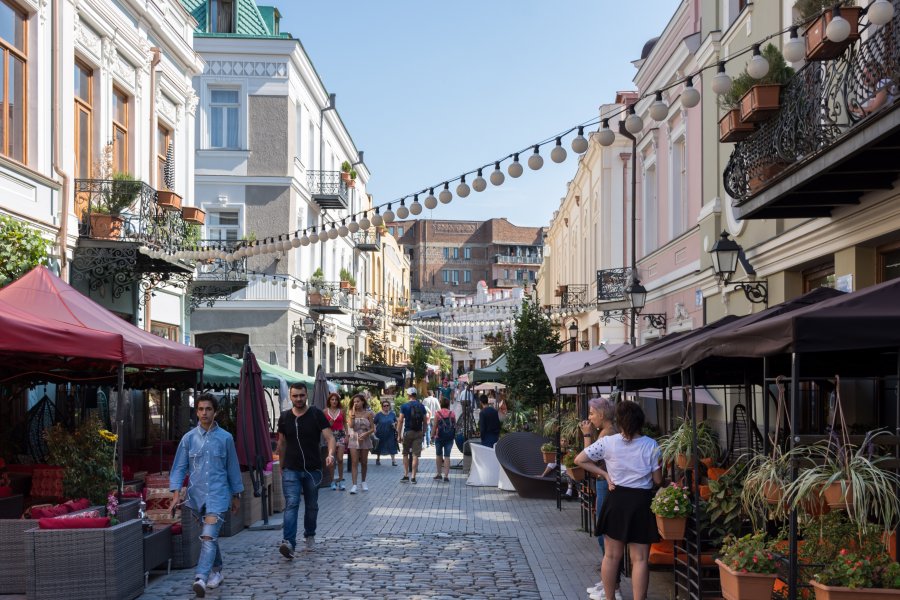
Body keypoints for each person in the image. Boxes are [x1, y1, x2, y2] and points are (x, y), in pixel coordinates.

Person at [575, 401, 662, 600]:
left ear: (620, 423)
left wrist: (605, 475)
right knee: (639, 559)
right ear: (641, 422)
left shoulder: (608, 442)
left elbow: (579, 460)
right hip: (641, 501)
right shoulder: (651, 445)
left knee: (611, 556)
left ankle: (609, 598)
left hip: (617, 499)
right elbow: (657, 480)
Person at [169, 394, 243, 598]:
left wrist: (236, 495)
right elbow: (179, 468)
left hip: (218, 497)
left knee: (208, 536)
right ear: (196, 412)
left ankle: (200, 577)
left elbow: (232, 468)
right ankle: (217, 571)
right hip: (196, 498)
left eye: (208, 409)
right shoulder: (188, 439)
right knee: (209, 537)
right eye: (200, 409)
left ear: (215, 411)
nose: (204, 413)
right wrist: (176, 494)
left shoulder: (226, 438)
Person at [276, 382, 336, 559]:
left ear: (306, 395)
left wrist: (331, 454)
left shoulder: (316, 414)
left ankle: (310, 534)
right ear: (290, 396)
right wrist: (281, 466)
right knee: (292, 504)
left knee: (311, 505)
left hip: (313, 468)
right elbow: (282, 443)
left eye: (301, 395)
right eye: (295, 396)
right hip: (291, 469)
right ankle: (288, 543)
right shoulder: (285, 417)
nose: (298, 399)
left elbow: (330, 437)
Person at [581, 397, 621, 600]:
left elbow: (589, 456)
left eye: (592, 413)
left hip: (606, 484)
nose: (590, 417)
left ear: (602, 414)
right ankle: (609, 582)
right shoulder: (608, 432)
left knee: (603, 532)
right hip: (603, 482)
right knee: (602, 532)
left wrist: (587, 434)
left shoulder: (607, 433)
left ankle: (613, 586)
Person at [346, 393, 375, 494]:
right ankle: (354, 485)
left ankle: (363, 482)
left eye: (358, 401)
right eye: (354, 402)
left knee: (364, 462)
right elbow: (351, 425)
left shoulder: (369, 413)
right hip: (354, 438)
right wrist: (353, 414)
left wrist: (366, 434)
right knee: (354, 462)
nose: (356, 403)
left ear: (363, 402)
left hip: (365, 438)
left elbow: (373, 428)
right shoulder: (350, 412)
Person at [397, 387, 427, 483]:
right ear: (415, 395)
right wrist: (424, 433)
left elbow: (400, 421)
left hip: (408, 432)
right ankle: (413, 477)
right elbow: (425, 421)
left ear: (409, 395)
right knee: (415, 456)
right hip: (418, 432)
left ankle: (406, 475)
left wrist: (398, 434)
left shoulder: (404, 406)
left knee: (405, 454)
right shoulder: (421, 406)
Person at [324, 391, 346, 491]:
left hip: (341, 435)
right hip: (330, 435)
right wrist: (329, 423)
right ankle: (332, 480)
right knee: (331, 459)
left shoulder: (342, 411)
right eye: (332, 399)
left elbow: (345, 423)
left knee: (340, 459)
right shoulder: (325, 411)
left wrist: (347, 435)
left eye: (336, 399)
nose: (334, 401)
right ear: (329, 401)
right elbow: (323, 426)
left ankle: (341, 480)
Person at [431, 396, 456, 482]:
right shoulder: (452, 413)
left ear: (441, 404)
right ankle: (446, 476)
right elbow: (454, 425)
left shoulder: (438, 413)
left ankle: (439, 474)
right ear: (448, 405)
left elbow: (434, 426)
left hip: (439, 437)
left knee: (438, 455)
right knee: (447, 456)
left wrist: (432, 435)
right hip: (449, 437)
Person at [374, 399, 399, 466]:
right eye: (384, 406)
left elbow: (396, 421)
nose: (386, 407)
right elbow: (374, 423)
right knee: (379, 447)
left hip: (390, 433)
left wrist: (395, 424)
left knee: (392, 446)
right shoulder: (378, 415)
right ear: (382, 407)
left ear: (389, 406)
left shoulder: (392, 414)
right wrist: (374, 430)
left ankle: (393, 461)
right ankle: (378, 459)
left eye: (387, 405)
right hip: (380, 433)